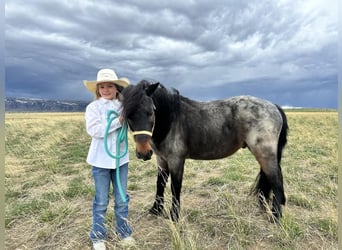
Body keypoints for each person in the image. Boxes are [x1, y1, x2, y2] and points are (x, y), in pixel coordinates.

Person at [83, 69, 135, 250]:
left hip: (120, 160)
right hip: (100, 161)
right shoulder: (93, 108)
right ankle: (98, 235)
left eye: (110, 86)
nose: (106, 89)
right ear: (98, 89)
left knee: (122, 199)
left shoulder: (124, 106)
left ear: (116, 88)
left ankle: (124, 232)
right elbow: (94, 131)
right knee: (101, 200)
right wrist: (117, 122)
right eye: (102, 86)